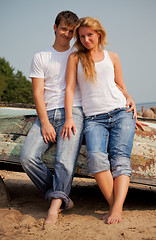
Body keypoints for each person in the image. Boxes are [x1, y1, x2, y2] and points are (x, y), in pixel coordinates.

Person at [61, 17, 141, 224]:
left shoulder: (112, 56)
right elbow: (69, 89)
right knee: (96, 158)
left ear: (99, 34)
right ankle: (116, 206)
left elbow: (119, 85)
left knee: (120, 158)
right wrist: (69, 117)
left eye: (90, 35)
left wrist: (130, 98)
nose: (86, 39)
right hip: (94, 119)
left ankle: (116, 210)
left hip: (121, 113)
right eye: (82, 36)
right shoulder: (75, 58)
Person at [20, 11, 84, 225]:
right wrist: (45, 123)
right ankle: (61, 197)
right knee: (27, 158)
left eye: (71, 31)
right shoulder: (41, 57)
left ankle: (54, 208)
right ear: (55, 27)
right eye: (64, 28)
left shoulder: (79, 55)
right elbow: (38, 93)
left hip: (73, 112)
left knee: (64, 161)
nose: (67, 34)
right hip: (46, 114)